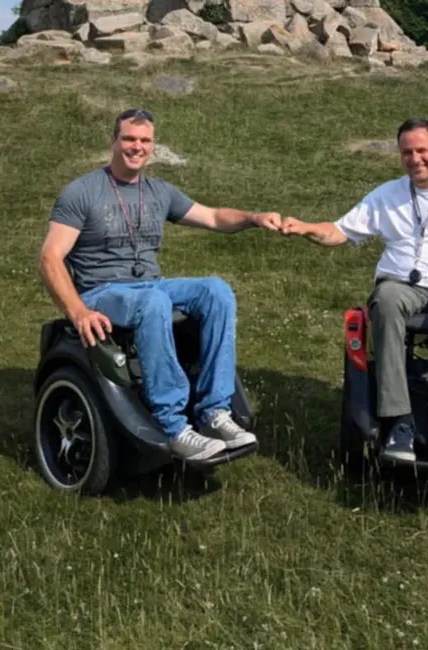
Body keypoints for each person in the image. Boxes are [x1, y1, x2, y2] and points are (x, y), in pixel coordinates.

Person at [39, 109, 282, 464]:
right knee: (152, 302)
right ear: (113, 141)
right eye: (128, 139)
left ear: (152, 145)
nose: (136, 147)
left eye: (144, 140)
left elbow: (213, 217)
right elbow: (50, 258)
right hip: (102, 292)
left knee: (216, 290)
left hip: (148, 285)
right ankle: (173, 425)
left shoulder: (159, 192)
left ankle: (214, 411)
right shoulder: (82, 193)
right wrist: (78, 312)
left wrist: (254, 218)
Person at [280, 118, 428, 467]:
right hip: (400, 284)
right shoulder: (387, 195)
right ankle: (399, 421)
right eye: (407, 152)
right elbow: (339, 231)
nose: (414, 158)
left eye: (422, 150)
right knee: (386, 302)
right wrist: (303, 228)